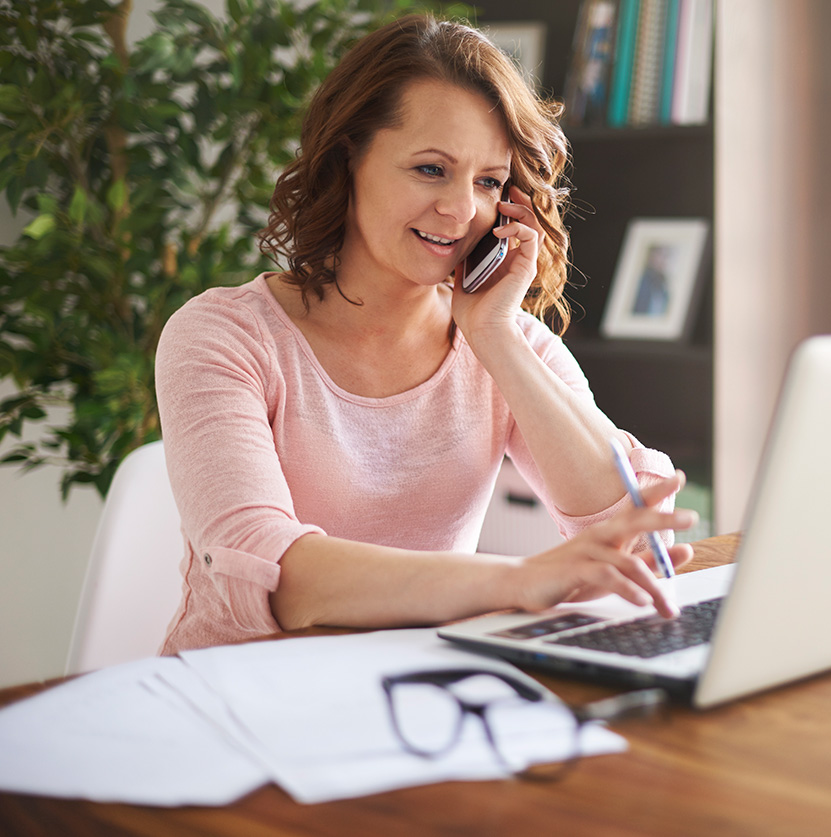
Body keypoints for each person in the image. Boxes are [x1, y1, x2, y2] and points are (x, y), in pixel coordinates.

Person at [154, 14, 694, 654]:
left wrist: (495, 339)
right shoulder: (224, 337)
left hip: (427, 692)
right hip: (237, 702)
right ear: (348, 158)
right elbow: (273, 574)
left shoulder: (508, 343)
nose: (462, 210)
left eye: (489, 181)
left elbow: (631, 529)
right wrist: (515, 581)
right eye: (432, 169)